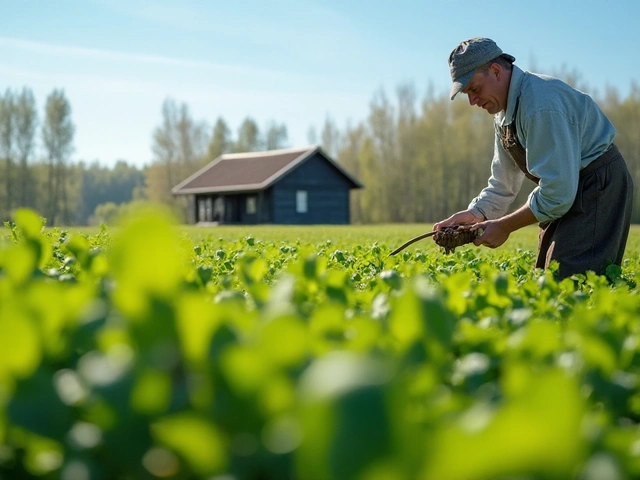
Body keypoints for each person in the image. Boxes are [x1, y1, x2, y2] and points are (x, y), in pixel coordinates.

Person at [434, 37, 634, 279]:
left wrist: (505, 226)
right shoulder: (503, 112)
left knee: (572, 284)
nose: (472, 101)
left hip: (598, 186)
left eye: (474, 89)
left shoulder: (539, 105)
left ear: (496, 71)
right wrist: (476, 213)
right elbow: (503, 184)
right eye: (467, 93)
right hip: (563, 190)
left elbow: (558, 192)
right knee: (546, 279)